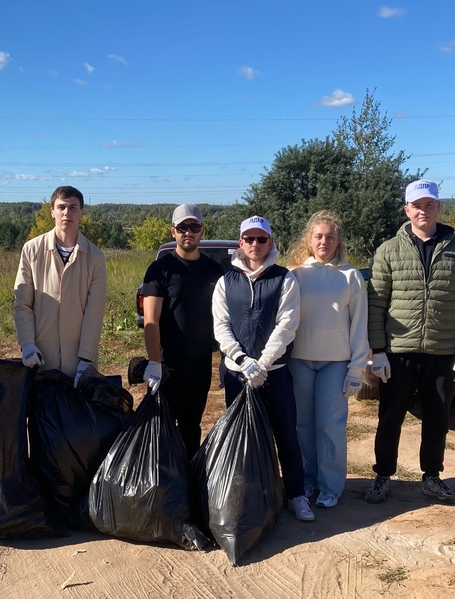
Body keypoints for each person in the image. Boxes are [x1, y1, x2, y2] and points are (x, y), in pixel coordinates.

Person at [365, 179, 455, 505]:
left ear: (438, 208)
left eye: (429, 205)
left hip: (442, 352)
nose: (423, 211)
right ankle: (382, 475)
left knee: (437, 419)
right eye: (417, 205)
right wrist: (378, 351)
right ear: (407, 209)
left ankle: (432, 477)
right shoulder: (388, 250)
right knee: (390, 418)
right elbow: (376, 304)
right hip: (398, 352)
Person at [212, 215, 314, 522]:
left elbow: (286, 326)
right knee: (243, 438)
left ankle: (295, 494)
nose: (255, 245)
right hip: (236, 375)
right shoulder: (225, 281)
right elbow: (221, 326)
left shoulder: (285, 278)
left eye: (261, 239)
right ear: (240, 243)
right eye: (249, 239)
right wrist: (243, 362)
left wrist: (263, 365)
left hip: (276, 373)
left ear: (270, 242)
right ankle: (250, 496)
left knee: (286, 435)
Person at [286, 210, 369, 509]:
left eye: (330, 237)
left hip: (335, 364)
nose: (324, 241)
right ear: (309, 240)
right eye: (319, 236)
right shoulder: (294, 274)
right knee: (303, 426)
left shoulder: (351, 276)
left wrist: (356, 368)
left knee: (331, 426)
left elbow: (360, 323)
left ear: (338, 242)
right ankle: (307, 480)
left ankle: (331, 486)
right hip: (299, 361)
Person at [140, 204, 223, 457]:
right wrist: (154, 363)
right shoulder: (160, 270)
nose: (189, 232)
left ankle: (187, 483)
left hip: (200, 363)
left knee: (191, 427)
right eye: (183, 227)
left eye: (194, 227)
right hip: (168, 364)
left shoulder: (214, 271)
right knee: (161, 427)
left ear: (202, 231)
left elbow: (223, 319)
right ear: (173, 231)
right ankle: (163, 485)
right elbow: (150, 320)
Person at [14, 185, 107, 385]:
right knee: (42, 415)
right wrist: (27, 344)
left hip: (78, 362)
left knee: (78, 415)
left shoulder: (95, 257)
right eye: (61, 207)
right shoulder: (32, 250)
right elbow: (22, 303)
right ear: (52, 211)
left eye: (73, 207)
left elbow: (95, 313)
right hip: (40, 359)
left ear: (82, 212)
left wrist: (87, 359)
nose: (67, 213)